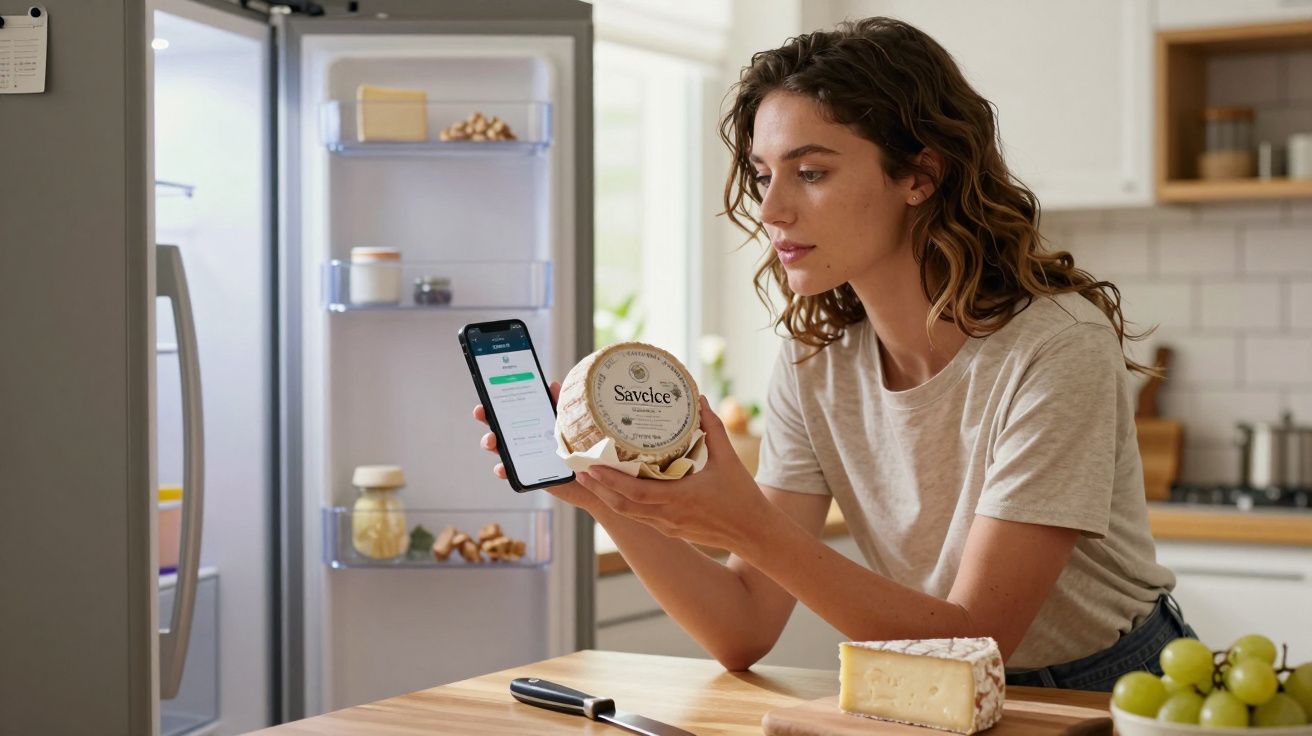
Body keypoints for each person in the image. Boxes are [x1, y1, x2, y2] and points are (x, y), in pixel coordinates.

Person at [472, 17, 1192, 692]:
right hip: (931, 694)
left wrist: (743, 521)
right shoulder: (815, 361)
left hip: (1108, 694)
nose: (771, 208)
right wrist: (609, 494)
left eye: (809, 173)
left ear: (920, 175)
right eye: (762, 173)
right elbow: (743, 625)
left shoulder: (1056, 348)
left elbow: (979, 642)